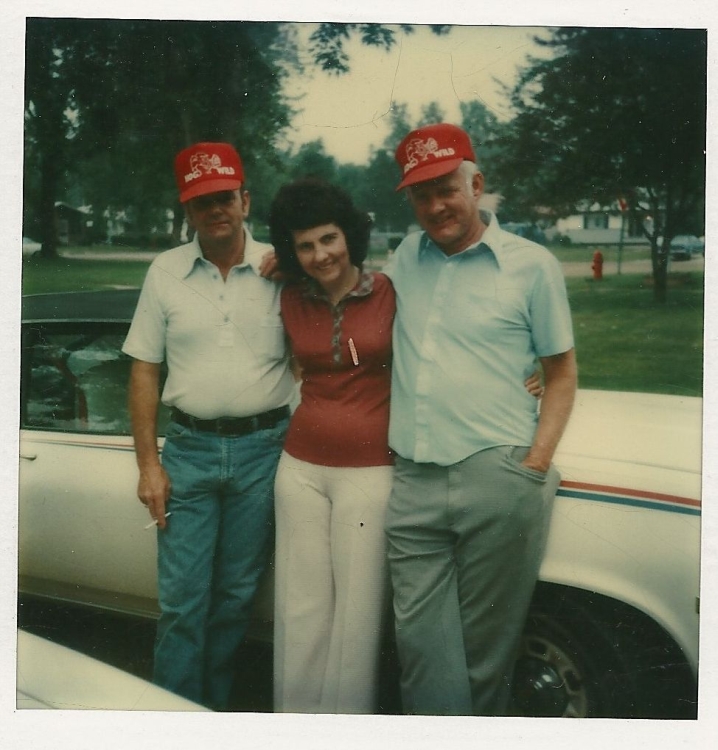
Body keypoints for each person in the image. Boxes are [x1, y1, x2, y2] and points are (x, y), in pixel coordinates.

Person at [384, 123, 577, 716]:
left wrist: (535, 463)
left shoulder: (532, 265)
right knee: (420, 648)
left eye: (446, 189)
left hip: (498, 476)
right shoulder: (403, 258)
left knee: (484, 655)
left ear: (476, 184)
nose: (435, 206)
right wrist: (286, 266)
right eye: (421, 195)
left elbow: (561, 372)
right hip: (413, 482)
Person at [122, 142, 295, 709]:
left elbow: (329, 336)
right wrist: (148, 466)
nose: (215, 210)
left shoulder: (281, 266)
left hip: (264, 452)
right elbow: (144, 370)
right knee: (182, 603)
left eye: (224, 197)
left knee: (235, 598)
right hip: (189, 451)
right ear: (187, 210)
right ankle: (174, 720)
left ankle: (212, 715)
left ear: (245, 200)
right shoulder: (166, 271)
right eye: (202, 203)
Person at [267, 178, 395, 714]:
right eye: (305, 245)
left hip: (369, 471)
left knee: (356, 612)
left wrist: (524, 373)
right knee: (301, 606)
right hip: (299, 469)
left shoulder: (390, 290)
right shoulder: (289, 297)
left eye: (328, 239)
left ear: (350, 236)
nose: (320, 255)